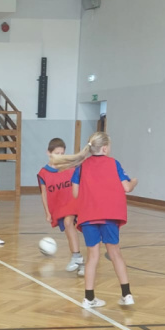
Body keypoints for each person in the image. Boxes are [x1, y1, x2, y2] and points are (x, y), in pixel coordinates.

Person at [51, 131, 138, 309]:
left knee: (93, 257)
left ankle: (89, 298)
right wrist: (134, 181)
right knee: (115, 254)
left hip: (89, 216)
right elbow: (127, 187)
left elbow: (75, 193)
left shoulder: (81, 167)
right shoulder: (114, 163)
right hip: (109, 216)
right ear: (104, 148)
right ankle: (127, 295)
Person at [37, 138, 82, 273]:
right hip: (60, 208)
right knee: (69, 230)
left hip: (74, 204)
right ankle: (79, 260)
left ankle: (78, 258)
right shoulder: (43, 173)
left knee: (69, 223)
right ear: (48, 153)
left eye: (62, 153)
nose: (60, 156)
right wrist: (47, 212)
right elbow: (44, 194)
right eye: (57, 153)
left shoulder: (71, 168)